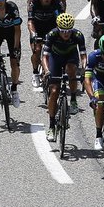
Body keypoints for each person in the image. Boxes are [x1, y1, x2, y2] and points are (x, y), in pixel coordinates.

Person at [41, 12, 87, 141]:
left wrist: (84, 70)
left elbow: (83, 56)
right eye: (62, 31)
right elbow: (44, 56)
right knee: (54, 90)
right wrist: (46, 71)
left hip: (70, 56)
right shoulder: (52, 35)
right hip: (55, 58)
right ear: (58, 29)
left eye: (68, 31)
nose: (66, 34)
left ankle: (73, 99)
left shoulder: (78, 35)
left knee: (71, 70)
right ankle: (51, 125)